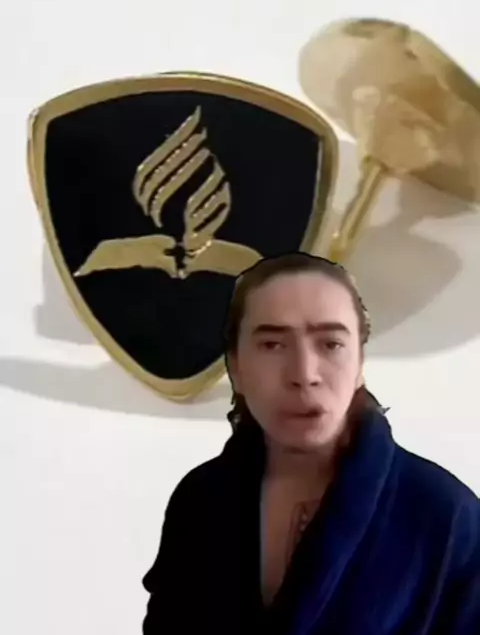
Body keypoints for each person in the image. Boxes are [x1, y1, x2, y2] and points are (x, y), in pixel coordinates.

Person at [142, 252, 480, 634]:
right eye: (272, 345)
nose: (304, 374)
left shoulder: (446, 514)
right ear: (236, 366)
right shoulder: (200, 499)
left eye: (331, 344)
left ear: (360, 363)